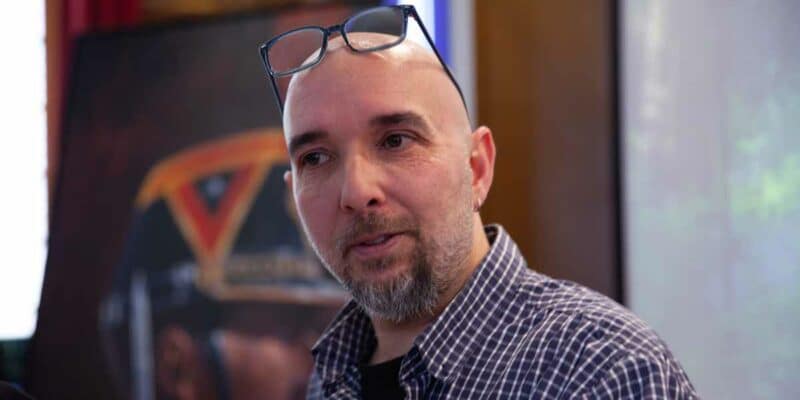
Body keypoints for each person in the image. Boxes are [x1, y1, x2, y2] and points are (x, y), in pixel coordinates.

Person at [262, 5, 698, 399]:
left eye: (396, 141)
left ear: (477, 167)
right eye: (315, 158)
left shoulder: (598, 370)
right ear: (292, 197)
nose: (357, 192)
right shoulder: (333, 377)